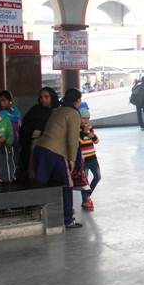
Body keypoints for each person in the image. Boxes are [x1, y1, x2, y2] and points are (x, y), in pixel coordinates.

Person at [32, 89, 84, 229]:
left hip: (41, 149)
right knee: (67, 185)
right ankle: (68, 220)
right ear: (77, 100)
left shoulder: (58, 110)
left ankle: (37, 216)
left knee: (42, 184)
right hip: (55, 152)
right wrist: (72, 159)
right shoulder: (73, 113)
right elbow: (72, 139)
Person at [19, 87, 60, 174]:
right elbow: (26, 124)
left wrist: (41, 130)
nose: (43, 100)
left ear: (52, 97)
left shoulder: (57, 111)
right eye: (41, 97)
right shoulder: (35, 109)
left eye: (46, 97)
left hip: (52, 145)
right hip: (33, 143)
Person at [78, 107, 100, 211]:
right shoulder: (77, 130)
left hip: (93, 158)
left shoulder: (90, 128)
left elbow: (96, 141)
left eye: (87, 118)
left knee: (98, 176)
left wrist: (90, 134)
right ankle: (85, 201)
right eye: (83, 118)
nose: (85, 120)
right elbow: (80, 142)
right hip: (84, 160)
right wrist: (86, 133)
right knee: (84, 182)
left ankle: (87, 197)